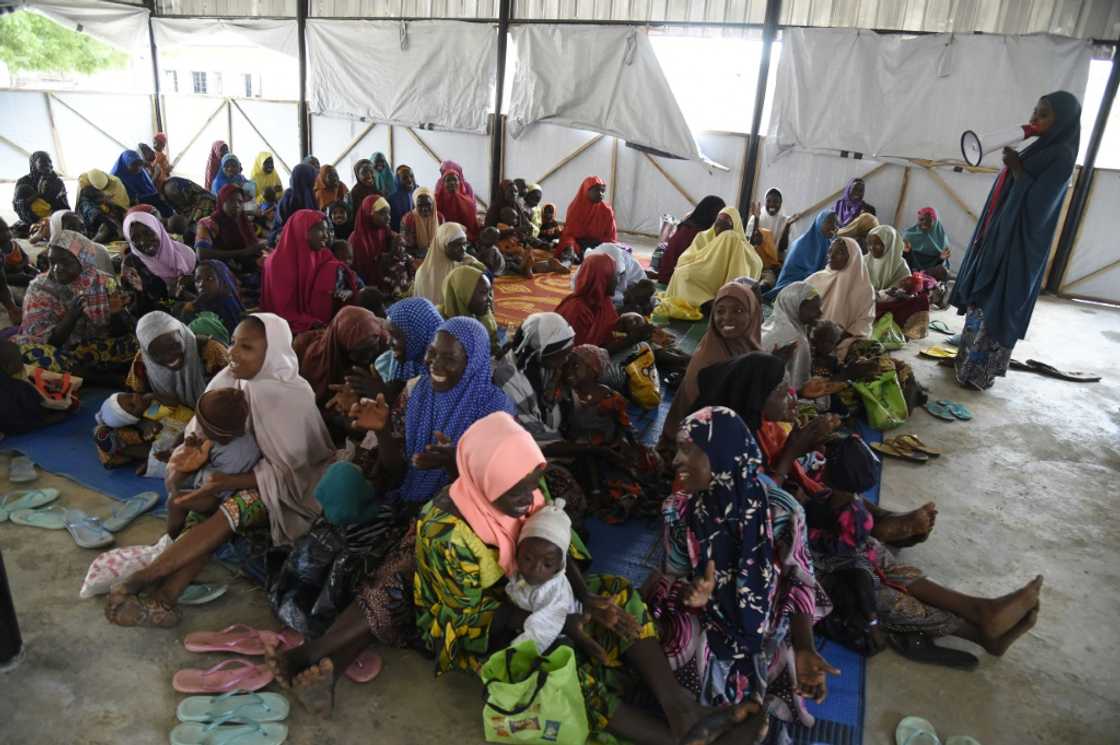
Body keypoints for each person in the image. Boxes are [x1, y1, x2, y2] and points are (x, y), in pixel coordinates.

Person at [406, 411, 757, 744]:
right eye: (517, 492)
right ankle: (674, 739)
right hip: (479, 627)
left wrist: (585, 599)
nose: (528, 499)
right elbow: (464, 618)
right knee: (561, 663)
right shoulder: (445, 533)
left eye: (531, 487)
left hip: (535, 589)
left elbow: (559, 544)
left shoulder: (524, 479)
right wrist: (556, 621)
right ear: (485, 477)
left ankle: (678, 706)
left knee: (614, 594)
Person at [106, 314, 335, 627]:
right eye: (233, 342)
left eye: (247, 347)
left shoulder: (290, 394)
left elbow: (296, 471)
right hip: (237, 472)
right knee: (206, 509)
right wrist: (186, 462)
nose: (233, 353)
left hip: (289, 486)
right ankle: (165, 597)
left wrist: (229, 480)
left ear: (273, 352)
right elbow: (196, 431)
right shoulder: (228, 379)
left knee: (232, 508)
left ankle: (140, 580)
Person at [645, 406, 834, 740]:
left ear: (722, 454)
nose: (675, 460)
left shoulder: (781, 512)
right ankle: (710, 712)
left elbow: (800, 580)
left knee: (779, 655)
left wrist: (805, 645)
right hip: (705, 618)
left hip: (764, 621)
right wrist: (692, 592)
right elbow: (671, 576)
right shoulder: (679, 512)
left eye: (688, 449)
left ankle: (732, 709)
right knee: (681, 644)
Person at [807, 435, 1041, 659]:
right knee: (872, 594)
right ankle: (978, 633)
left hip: (843, 545)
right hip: (816, 558)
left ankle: (978, 609)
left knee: (884, 563)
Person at [951, 92, 1081, 390]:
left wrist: (1018, 168)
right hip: (1001, 236)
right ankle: (965, 363)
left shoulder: (1062, 155)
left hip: (1018, 246)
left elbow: (1040, 206)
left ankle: (979, 374)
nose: (1034, 118)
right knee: (982, 303)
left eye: (1044, 114)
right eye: (1035, 111)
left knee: (998, 304)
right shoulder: (1040, 146)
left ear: (1062, 121)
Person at [93, 311, 230, 469]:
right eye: (158, 354)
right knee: (106, 427)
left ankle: (146, 455)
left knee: (222, 448)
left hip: (210, 423)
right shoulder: (142, 360)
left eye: (174, 345)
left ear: (182, 334)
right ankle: (160, 456)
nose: (170, 357)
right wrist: (145, 423)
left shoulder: (212, 351)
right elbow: (133, 397)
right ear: (146, 351)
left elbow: (231, 402)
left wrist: (193, 428)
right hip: (163, 420)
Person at [557, 344, 660, 524]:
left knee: (634, 469)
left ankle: (618, 494)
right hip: (580, 448)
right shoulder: (565, 395)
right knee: (589, 464)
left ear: (594, 371)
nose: (569, 371)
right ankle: (598, 493)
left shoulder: (608, 397)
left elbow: (624, 424)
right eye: (568, 365)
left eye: (576, 366)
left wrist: (633, 446)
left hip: (608, 445)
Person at [16, 230, 136, 377]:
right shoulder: (40, 289)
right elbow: (46, 343)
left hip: (97, 349)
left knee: (138, 341)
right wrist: (71, 317)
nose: (56, 269)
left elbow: (120, 332)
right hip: (62, 354)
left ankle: (93, 375)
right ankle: (99, 378)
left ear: (83, 260)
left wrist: (117, 314)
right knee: (27, 353)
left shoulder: (104, 282)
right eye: (52, 261)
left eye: (65, 262)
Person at [660, 282, 761, 446]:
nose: (727, 317)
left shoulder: (748, 347)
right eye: (720, 311)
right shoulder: (708, 362)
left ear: (754, 314)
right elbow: (711, 421)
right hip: (697, 447)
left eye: (739, 310)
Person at [262, 209, 353, 333]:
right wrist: (312, 323)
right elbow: (283, 311)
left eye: (326, 230)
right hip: (286, 324)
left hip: (315, 316)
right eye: (320, 230)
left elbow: (345, 276)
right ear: (302, 231)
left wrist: (345, 290)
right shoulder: (277, 265)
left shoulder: (321, 254)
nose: (326, 236)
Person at [493, 312, 574, 443]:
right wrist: (581, 447)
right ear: (540, 351)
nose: (566, 360)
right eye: (562, 355)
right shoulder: (509, 379)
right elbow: (531, 435)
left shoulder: (539, 362)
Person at [292, 306, 389, 408]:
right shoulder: (304, 347)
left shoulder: (386, 351)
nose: (369, 356)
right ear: (340, 347)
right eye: (359, 352)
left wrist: (378, 391)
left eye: (373, 347)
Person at [663, 207, 761, 308]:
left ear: (735, 226)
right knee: (681, 274)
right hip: (706, 276)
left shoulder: (738, 241)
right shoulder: (704, 237)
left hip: (727, 281)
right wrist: (705, 261)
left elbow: (756, 263)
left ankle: (723, 299)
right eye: (718, 222)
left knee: (731, 237)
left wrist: (734, 246)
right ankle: (710, 303)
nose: (720, 227)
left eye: (726, 224)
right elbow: (684, 259)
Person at [806, 238, 875, 359]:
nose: (831, 256)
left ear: (853, 257)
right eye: (830, 251)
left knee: (864, 351)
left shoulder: (864, 289)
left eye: (839, 253)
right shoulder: (817, 278)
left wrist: (835, 339)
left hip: (844, 338)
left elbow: (864, 321)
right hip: (814, 334)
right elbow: (799, 304)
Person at [120, 211, 197, 316]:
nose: (143, 241)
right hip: (155, 317)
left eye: (148, 233)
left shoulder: (185, 254)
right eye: (135, 238)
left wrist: (190, 283)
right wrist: (177, 303)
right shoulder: (131, 265)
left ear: (158, 229)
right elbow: (140, 302)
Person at [0, 339, 72, 435]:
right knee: (61, 413)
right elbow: (48, 403)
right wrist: (66, 402)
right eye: (19, 360)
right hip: (15, 425)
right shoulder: (19, 386)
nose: (22, 363)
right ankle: (43, 421)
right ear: (9, 366)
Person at [868, 225, 929, 336]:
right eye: (870, 243)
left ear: (890, 245)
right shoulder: (864, 261)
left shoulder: (900, 265)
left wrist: (895, 293)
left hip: (888, 305)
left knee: (919, 300)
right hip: (867, 302)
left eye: (877, 244)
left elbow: (907, 291)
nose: (872, 248)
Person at [761, 281, 822, 391]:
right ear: (794, 306)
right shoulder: (796, 338)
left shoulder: (768, 325)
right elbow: (798, 385)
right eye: (814, 308)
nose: (820, 313)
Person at [768, 208, 838, 299]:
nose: (834, 227)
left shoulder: (829, 244)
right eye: (830, 222)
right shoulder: (801, 244)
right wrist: (817, 278)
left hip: (814, 287)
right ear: (820, 222)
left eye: (836, 223)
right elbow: (793, 274)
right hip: (791, 288)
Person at [194, 184, 262, 276]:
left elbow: (252, 244)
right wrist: (243, 252)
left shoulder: (242, 220)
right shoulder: (208, 223)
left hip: (244, 264)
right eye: (231, 201)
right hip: (220, 270)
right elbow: (202, 254)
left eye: (240, 202)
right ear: (222, 202)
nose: (237, 205)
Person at [349, 195, 410, 299]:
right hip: (368, 285)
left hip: (384, 277)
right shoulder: (356, 239)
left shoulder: (383, 229)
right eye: (382, 213)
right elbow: (360, 269)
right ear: (369, 214)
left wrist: (398, 239)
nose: (388, 217)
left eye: (388, 213)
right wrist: (385, 257)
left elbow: (396, 238)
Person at [411, 222, 485, 305]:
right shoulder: (425, 275)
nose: (463, 249)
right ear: (443, 245)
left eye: (465, 244)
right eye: (457, 245)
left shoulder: (463, 264)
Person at [554, 253, 618, 347]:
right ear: (602, 278)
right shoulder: (577, 311)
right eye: (614, 275)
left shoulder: (604, 300)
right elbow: (577, 355)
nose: (618, 279)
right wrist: (629, 341)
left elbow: (610, 330)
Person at [658, 195, 725, 284]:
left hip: (672, 277)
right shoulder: (694, 233)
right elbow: (691, 267)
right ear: (711, 214)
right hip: (672, 281)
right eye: (719, 216)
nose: (719, 221)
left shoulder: (689, 227)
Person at [177, 260, 245, 338]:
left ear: (222, 281)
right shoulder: (208, 300)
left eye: (209, 279)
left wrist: (190, 307)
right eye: (197, 280)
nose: (201, 284)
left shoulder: (226, 307)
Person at [556, 176, 617, 260]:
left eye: (602, 191)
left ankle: (578, 258)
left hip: (599, 244)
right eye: (596, 190)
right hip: (578, 243)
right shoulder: (575, 208)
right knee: (568, 245)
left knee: (616, 252)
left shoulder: (607, 211)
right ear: (586, 191)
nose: (600, 194)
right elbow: (569, 234)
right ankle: (566, 263)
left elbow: (611, 237)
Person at [439, 265, 497, 352]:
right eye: (483, 292)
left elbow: (493, 346)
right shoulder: (440, 324)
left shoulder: (484, 317)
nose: (490, 299)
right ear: (462, 294)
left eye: (489, 292)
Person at [572, 243, 646, 306]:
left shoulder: (631, 266)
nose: (618, 280)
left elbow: (646, 288)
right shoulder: (583, 277)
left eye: (619, 275)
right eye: (614, 277)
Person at [13, 152, 69, 228]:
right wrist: (38, 194)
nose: (48, 165)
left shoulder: (57, 182)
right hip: (32, 220)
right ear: (33, 164)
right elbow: (18, 206)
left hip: (55, 218)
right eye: (43, 162)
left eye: (50, 162)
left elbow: (64, 206)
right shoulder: (23, 182)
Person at [112, 150, 171, 216]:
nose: (138, 168)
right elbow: (132, 201)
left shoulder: (138, 167)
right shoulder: (118, 179)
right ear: (126, 164)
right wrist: (154, 196)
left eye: (139, 164)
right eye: (134, 165)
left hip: (154, 196)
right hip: (141, 207)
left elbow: (148, 184)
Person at [76, 169, 129, 242]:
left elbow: (113, 205)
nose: (104, 192)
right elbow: (91, 212)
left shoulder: (112, 181)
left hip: (107, 218)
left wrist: (118, 209)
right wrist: (107, 220)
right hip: (94, 226)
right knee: (105, 229)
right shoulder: (85, 195)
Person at [272, 163, 319, 243]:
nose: (315, 180)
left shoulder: (310, 195)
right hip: (287, 238)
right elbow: (282, 224)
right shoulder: (288, 199)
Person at [902, 207, 951, 282]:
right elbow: (902, 258)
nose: (924, 223)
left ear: (935, 222)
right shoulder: (909, 236)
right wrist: (906, 252)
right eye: (921, 219)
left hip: (929, 274)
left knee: (943, 272)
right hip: (910, 270)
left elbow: (943, 265)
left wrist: (941, 259)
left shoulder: (942, 240)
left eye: (929, 220)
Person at [434, 170, 480, 242]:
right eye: (448, 180)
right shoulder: (436, 201)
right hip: (443, 236)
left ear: (460, 183)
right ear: (443, 184)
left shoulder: (468, 203)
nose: (452, 183)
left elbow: (472, 227)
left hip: (464, 237)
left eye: (455, 180)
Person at [399, 187, 442, 260]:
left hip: (438, 255)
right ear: (415, 204)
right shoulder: (408, 219)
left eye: (428, 204)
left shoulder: (440, 218)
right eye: (420, 205)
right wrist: (422, 252)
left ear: (433, 203)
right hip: (417, 258)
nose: (424, 208)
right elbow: (405, 247)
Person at [758, 187, 791, 258]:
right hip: (759, 259)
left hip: (778, 261)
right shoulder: (758, 217)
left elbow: (783, 248)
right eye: (768, 201)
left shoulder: (786, 220)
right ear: (765, 202)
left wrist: (787, 227)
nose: (772, 204)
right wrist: (756, 219)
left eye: (776, 201)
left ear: (781, 203)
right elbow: (751, 243)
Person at [386, 165, 415, 231]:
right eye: (405, 178)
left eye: (411, 176)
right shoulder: (392, 198)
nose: (410, 180)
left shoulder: (417, 192)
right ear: (398, 180)